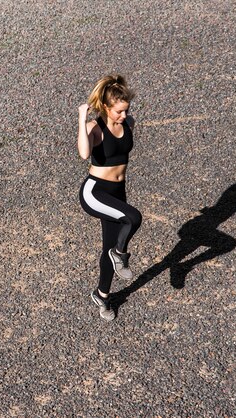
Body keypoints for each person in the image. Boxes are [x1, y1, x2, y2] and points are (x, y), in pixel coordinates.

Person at [77, 74, 143, 321]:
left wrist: (125, 119)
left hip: (118, 191)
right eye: (119, 112)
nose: (124, 116)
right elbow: (84, 154)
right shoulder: (95, 128)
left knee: (108, 247)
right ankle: (120, 255)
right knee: (133, 218)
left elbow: (124, 144)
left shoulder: (128, 123)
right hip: (96, 192)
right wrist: (82, 119)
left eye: (126, 110)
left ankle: (102, 295)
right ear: (105, 107)